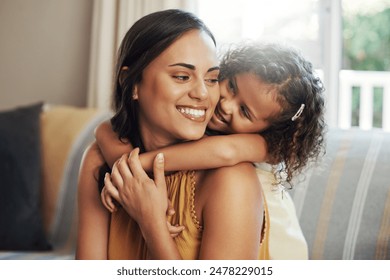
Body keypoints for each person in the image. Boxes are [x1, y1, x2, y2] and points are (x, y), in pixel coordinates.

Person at [97, 42, 326, 259]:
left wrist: (136, 166)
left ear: (271, 131)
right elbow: (106, 130)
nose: (226, 105)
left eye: (244, 111)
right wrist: (124, 176)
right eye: (232, 86)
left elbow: (223, 152)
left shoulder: (266, 146)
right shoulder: (199, 120)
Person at [76, 9, 266, 260]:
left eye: (211, 79)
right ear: (131, 82)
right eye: (182, 76)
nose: (202, 93)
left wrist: (151, 223)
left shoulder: (232, 178)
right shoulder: (99, 162)